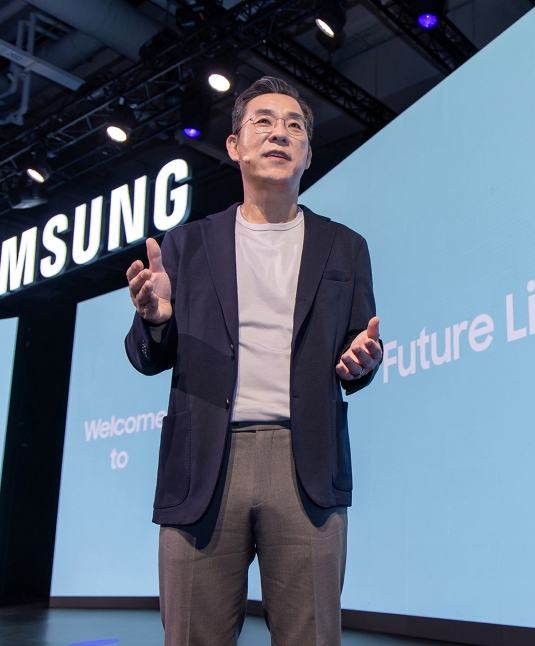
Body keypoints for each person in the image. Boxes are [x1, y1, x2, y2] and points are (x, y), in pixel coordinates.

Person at [124, 76, 383, 646]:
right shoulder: (186, 244)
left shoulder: (345, 246)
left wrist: (363, 361)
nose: (279, 133)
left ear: (308, 154)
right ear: (235, 146)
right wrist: (156, 320)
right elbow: (146, 357)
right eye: (263, 122)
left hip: (306, 463)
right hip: (204, 464)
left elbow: (357, 346)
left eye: (294, 126)